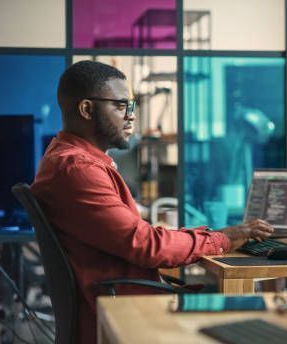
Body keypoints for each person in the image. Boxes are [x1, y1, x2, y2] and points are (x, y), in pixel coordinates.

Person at [31, 60, 274, 344]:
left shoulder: (68, 159)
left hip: (117, 303)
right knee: (258, 316)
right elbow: (146, 245)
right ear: (86, 109)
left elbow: (140, 239)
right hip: (121, 314)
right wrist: (220, 239)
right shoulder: (78, 169)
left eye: (132, 106)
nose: (132, 117)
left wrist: (212, 236)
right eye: (122, 106)